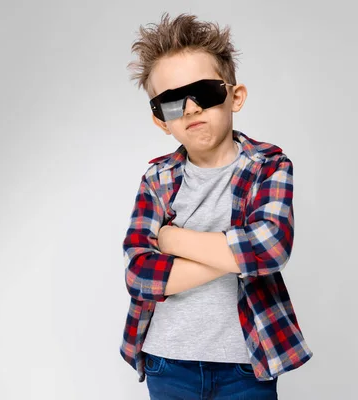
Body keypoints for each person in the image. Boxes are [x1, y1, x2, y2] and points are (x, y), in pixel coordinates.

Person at [118, 12, 313, 399]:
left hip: (246, 362)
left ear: (234, 96)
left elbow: (270, 248)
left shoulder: (268, 166)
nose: (190, 109)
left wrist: (172, 241)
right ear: (160, 120)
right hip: (167, 361)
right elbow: (140, 275)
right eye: (172, 102)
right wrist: (231, 254)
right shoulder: (157, 180)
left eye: (204, 93)